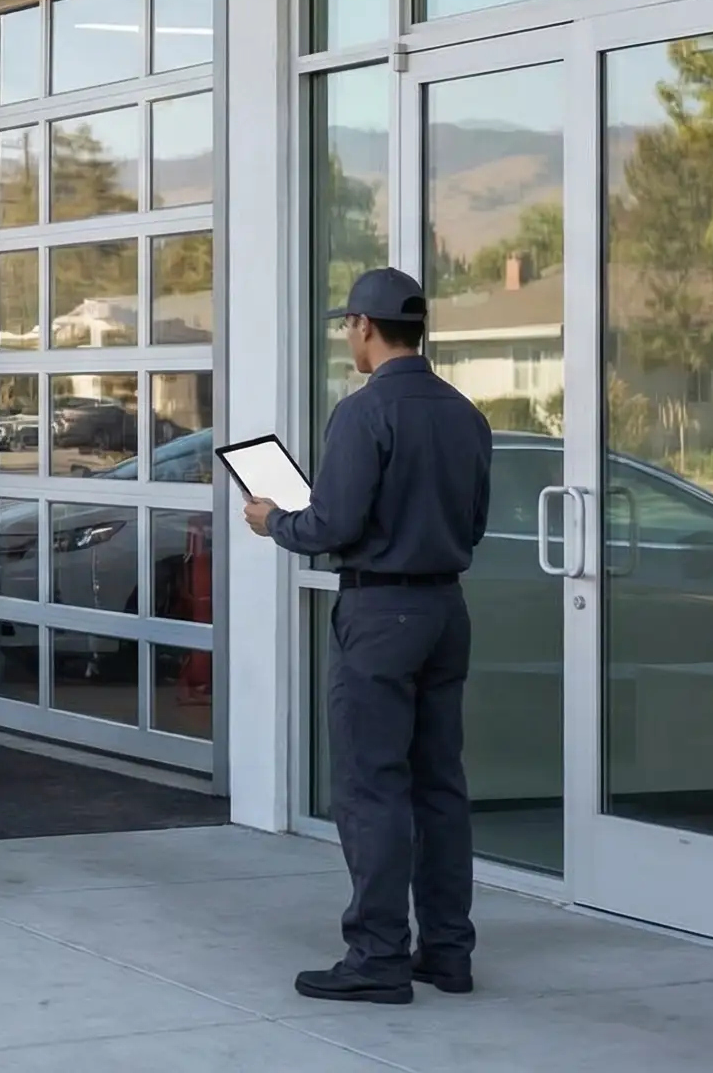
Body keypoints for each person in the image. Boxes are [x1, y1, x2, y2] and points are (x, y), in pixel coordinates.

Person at [242, 266, 492, 1005]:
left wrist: (271, 520)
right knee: (439, 786)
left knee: (372, 787)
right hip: (446, 610)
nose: (347, 338)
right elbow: (472, 522)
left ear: (363, 326)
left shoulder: (363, 412)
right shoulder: (465, 414)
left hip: (381, 615)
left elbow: (333, 526)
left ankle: (379, 955)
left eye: (347, 326)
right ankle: (448, 952)